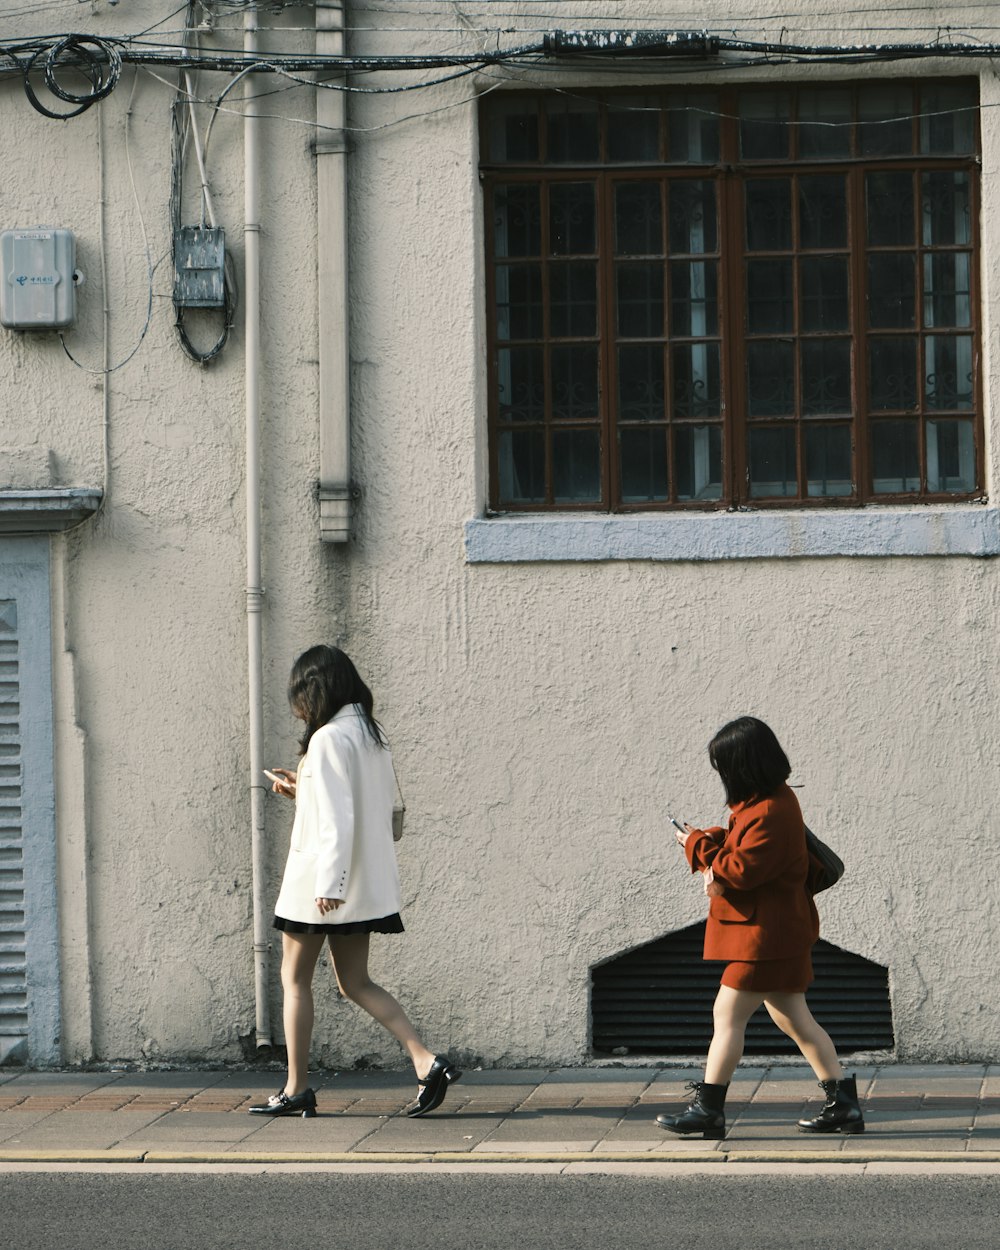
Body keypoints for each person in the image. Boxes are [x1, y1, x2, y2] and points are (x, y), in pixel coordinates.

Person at [248, 644, 461, 1119]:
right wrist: (300, 790)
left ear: (314, 690)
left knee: (294, 979)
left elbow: (338, 821)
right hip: (358, 884)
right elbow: (357, 807)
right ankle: (426, 1062)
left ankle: (297, 1088)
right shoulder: (368, 734)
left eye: (299, 693)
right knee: (356, 982)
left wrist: (329, 883)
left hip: (321, 885)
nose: (298, 705)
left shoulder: (327, 739)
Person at [656, 716, 863, 1139]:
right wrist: (709, 837)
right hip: (779, 933)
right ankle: (843, 1105)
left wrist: (695, 844)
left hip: (764, 938)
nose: (722, 775)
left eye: (725, 766)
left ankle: (708, 1110)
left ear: (744, 765)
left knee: (727, 1016)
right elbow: (745, 854)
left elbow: (740, 870)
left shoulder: (770, 810)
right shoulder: (768, 801)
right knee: (796, 1020)